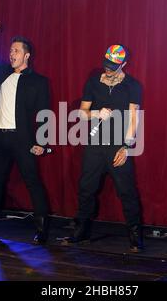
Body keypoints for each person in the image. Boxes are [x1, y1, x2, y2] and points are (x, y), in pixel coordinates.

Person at [0, 21, 51, 245]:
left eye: (16, 51)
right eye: (10, 50)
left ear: (27, 56)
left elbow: (45, 113)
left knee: (32, 180)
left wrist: (43, 141)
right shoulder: (1, 73)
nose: (11, 54)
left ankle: (42, 227)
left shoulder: (39, 81)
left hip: (22, 138)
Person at [62, 44, 144, 253]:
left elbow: (134, 119)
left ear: (123, 64)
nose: (107, 69)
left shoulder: (132, 86)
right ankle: (82, 230)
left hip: (118, 145)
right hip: (95, 145)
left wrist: (127, 147)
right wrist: (97, 113)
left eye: (112, 66)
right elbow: (81, 114)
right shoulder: (93, 83)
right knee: (86, 188)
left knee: (127, 191)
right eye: (106, 64)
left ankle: (135, 234)